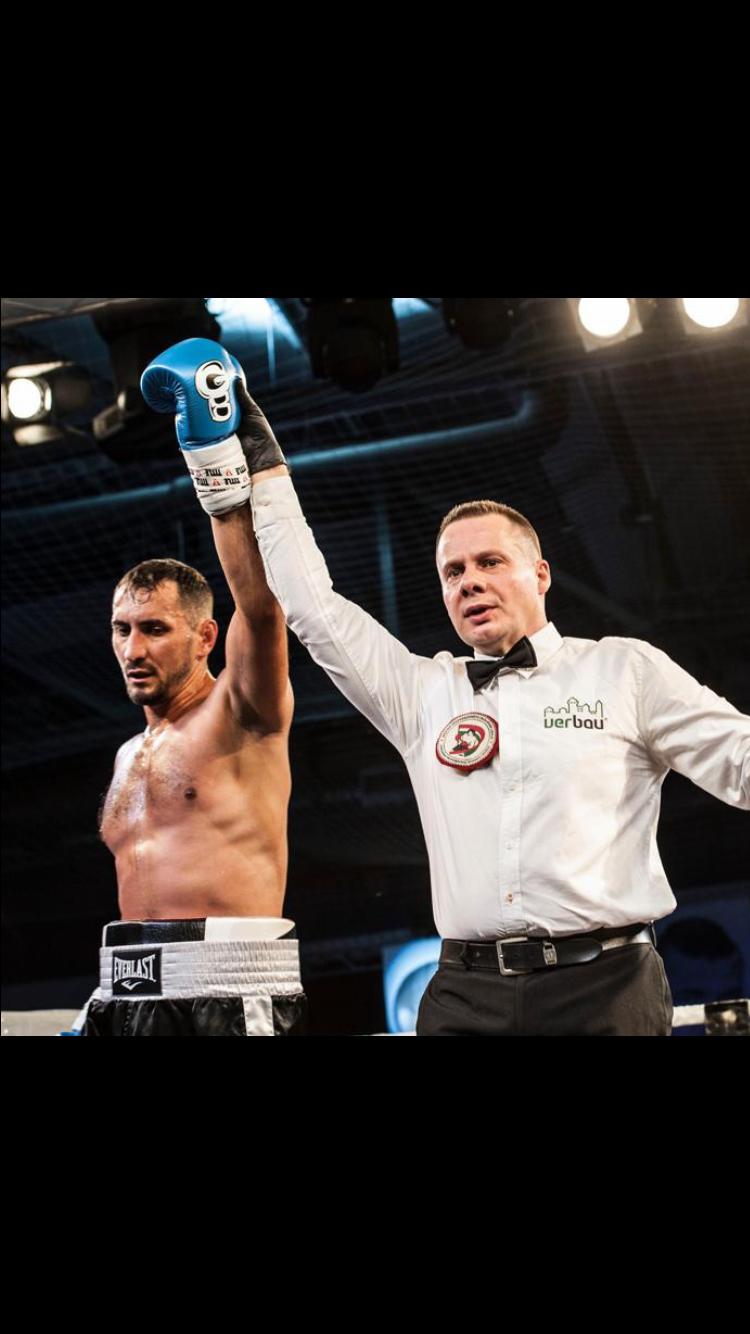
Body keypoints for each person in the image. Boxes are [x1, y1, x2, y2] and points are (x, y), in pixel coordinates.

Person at [229, 365, 749, 1037]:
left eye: (489, 562)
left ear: (541, 575)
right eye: (453, 572)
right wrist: (267, 475)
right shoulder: (422, 693)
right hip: (464, 993)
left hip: (605, 986)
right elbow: (313, 609)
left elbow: (740, 758)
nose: (469, 581)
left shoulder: (625, 670)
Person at [77, 339, 304, 1036]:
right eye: (122, 630)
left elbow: (260, 607)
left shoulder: (242, 711)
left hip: (229, 993)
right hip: (127, 993)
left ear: (205, 637)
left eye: (154, 629)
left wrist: (215, 466)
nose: (133, 649)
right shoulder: (128, 756)